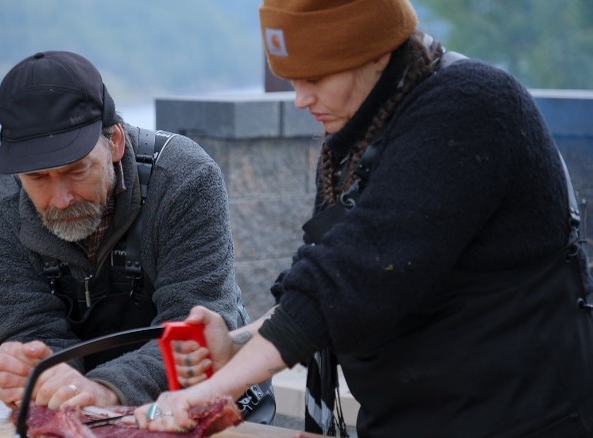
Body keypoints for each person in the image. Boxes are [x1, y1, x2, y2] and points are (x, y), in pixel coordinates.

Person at [134, 0, 593, 437]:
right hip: (409, 419)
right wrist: (235, 345)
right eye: (292, 80)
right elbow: (320, 281)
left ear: (374, 52)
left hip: (519, 418)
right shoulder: (356, 130)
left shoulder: (470, 104)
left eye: (314, 78)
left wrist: (211, 393)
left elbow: (354, 275)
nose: (300, 99)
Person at [0, 50, 252, 411]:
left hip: (200, 398)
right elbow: (29, 326)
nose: (61, 198)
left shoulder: (185, 179)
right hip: (80, 409)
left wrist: (106, 388)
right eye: (37, 178)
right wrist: (32, 368)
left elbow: (194, 331)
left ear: (114, 141)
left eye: (76, 170)